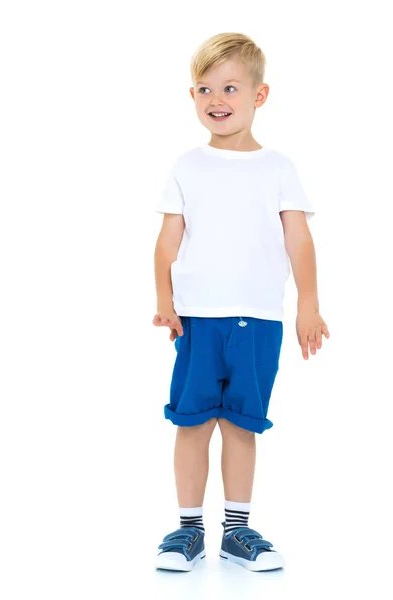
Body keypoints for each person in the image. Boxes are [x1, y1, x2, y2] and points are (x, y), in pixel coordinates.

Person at [152, 32, 330, 572]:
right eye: (204, 88)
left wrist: (308, 305)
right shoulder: (188, 165)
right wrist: (165, 298)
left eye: (229, 87)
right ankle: (186, 532)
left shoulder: (278, 167)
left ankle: (236, 530)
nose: (216, 99)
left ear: (260, 95)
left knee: (241, 425)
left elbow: (299, 240)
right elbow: (167, 241)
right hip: (199, 322)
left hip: (258, 321)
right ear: (193, 96)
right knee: (191, 423)